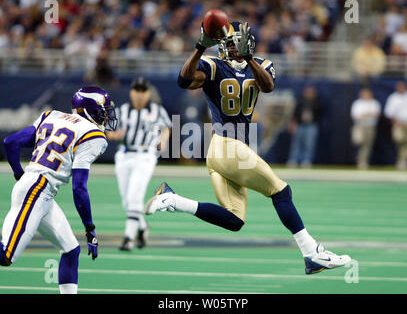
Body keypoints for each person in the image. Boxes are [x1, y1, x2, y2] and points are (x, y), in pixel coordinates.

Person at [144, 21, 351, 275]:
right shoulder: (213, 65)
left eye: (236, 43)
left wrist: (249, 58)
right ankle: (311, 253)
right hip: (225, 144)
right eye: (228, 44)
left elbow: (268, 86)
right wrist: (200, 48)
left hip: (227, 150)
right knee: (280, 191)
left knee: (234, 220)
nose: (232, 48)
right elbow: (183, 80)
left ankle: (172, 199)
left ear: (248, 42)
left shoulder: (262, 65)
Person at [0, 86, 118, 293]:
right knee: (6, 256)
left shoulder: (51, 116)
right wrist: (89, 228)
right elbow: (79, 188)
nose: (106, 117)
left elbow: (11, 143)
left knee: (71, 250)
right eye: (102, 111)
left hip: (37, 189)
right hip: (37, 190)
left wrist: (20, 175)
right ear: (89, 110)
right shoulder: (94, 136)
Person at [107, 78, 171, 251]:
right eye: (137, 90)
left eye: (143, 91)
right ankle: (142, 227)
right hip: (124, 154)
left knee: (135, 196)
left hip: (145, 156)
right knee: (127, 200)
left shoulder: (157, 110)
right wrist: (115, 135)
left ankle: (128, 238)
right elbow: (108, 132)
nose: (140, 94)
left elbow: (166, 127)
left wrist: (163, 142)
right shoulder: (123, 110)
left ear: (148, 93)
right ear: (131, 92)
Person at [286, 85, 322, 168]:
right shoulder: (300, 101)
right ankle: (293, 160)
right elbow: (295, 114)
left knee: (309, 144)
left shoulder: (317, 102)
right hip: (300, 124)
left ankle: (306, 160)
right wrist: (292, 124)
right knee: (296, 144)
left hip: (311, 125)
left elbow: (320, 113)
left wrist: (311, 102)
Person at [351, 88, 381, 169]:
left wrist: (365, 114)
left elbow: (376, 115)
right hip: (359, 126)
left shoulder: (374, 103)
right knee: (358, 141)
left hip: (370, 126)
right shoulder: (357, 103)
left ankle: (363, 161)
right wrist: (368, 114)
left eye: (368, 94)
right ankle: (358, 157)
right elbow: (356, 116)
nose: (366, 96)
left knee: (367, 145)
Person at [384, 81, 407, 170]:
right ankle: (401, 160)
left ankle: (404, 160)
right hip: (398, 124)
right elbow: (389, 112)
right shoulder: (393, 98)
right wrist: (396, 123)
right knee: (399, 141)